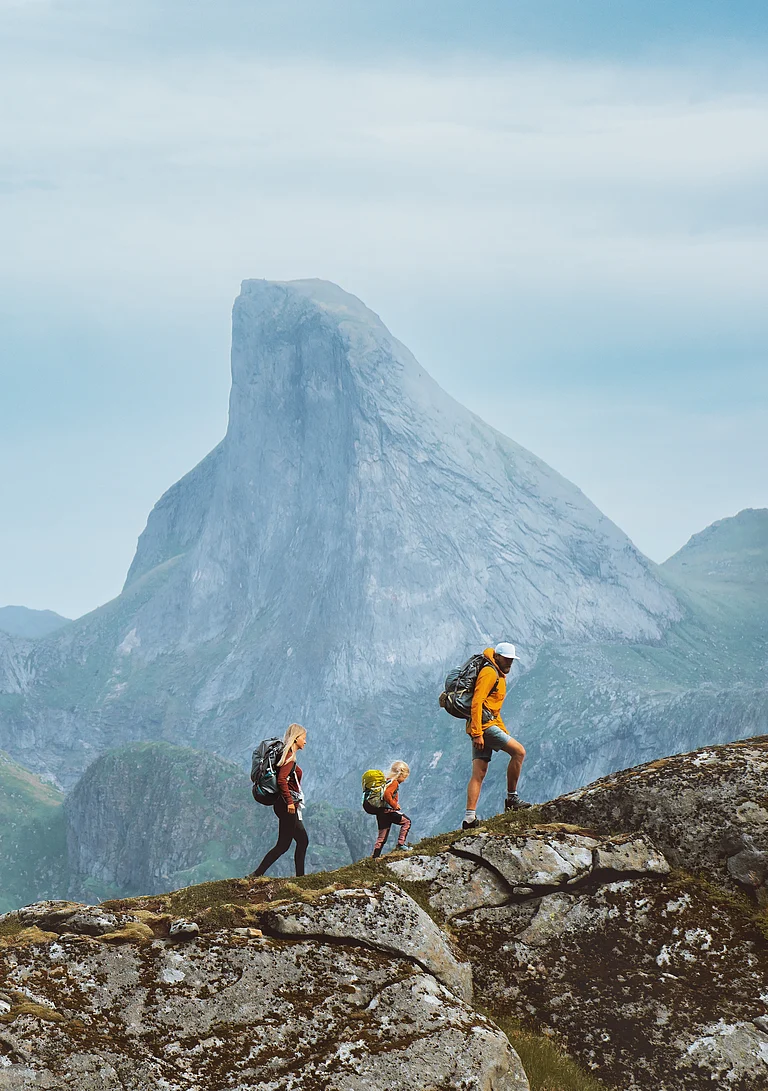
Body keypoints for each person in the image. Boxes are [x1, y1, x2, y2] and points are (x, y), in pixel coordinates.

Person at [463, 643, 530, 830]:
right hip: (483, 727)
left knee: (479, 773)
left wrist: (503, 731)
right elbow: (477, 701)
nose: (510, 662)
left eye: (512, 660)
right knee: (519, 753)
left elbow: (493, 708)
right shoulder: (490, 673)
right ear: (498, 656)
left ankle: (469, 819)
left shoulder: (498, 674)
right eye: (507, 659)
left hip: (484, 725)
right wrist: (477, 733)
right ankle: (512, 798)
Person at [250, 723, 309, 877]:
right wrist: (290, 801)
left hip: (284, 804)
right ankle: (257, 874)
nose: (305, 741)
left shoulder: (286, 754)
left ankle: (299, 878)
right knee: (284, 845)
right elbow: (282, 780)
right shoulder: (289, 756)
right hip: (286, 805)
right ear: (296, 739)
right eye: (304, 738)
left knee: (301, 841)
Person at [371, 761, 412, 858]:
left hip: (381, 812)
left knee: (381, 837)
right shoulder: (394, 782)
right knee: (407, 822)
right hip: (389, 812)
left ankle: (375, 857)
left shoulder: (386, 781)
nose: (404, 780)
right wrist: (394, 805)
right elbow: (387, 794)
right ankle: (401, 844)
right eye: (404, 777)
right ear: (400, 774)